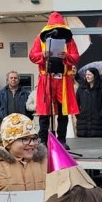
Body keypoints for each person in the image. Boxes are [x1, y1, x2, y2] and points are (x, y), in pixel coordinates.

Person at [30, 12, 78, 145]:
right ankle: (44, 140)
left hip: (63, 79)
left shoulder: (69, 40)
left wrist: (66, 56)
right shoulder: (40, 39)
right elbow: (32, 56)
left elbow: (76, 57)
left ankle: (61, 140)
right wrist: (43, 54)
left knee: (63, 112)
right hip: (47, 79)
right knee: (44, 112)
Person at [74, 67, 102, 139]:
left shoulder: (101, 88)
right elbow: (76, 103)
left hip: (97, 122)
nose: (87, 76)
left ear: (95, 76)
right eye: (86, 75)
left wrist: (101, 115)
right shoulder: (81, 88)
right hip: (83, 122)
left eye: (89, 75)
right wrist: (78, 115)